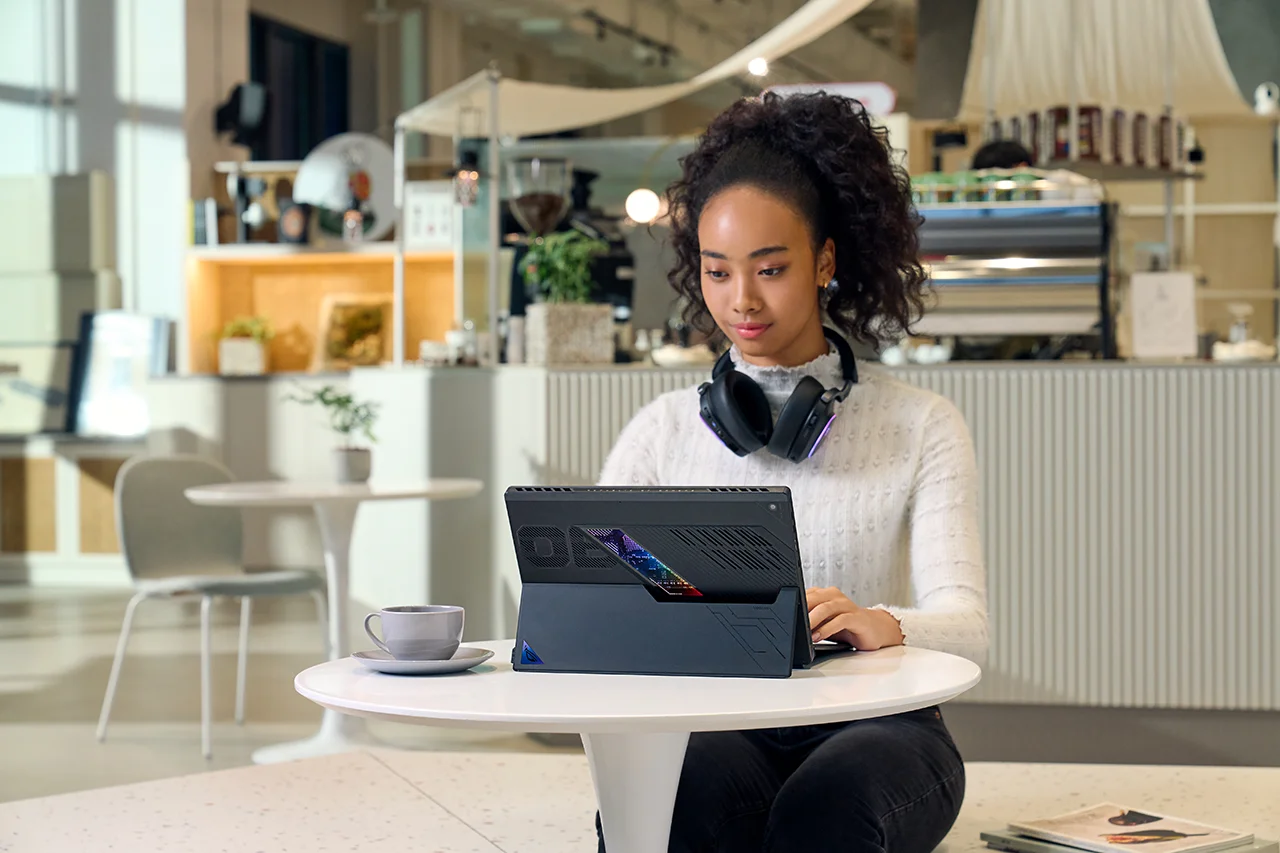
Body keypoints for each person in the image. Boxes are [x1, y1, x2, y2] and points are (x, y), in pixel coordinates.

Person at [596, 91, 989, 853]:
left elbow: (970, 628)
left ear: (825, 262)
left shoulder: (919, 424)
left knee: (823, 812)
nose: (740, 300)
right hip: (723, 723)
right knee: (661, 800)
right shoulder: (663, 431)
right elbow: (602, 594)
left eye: (770, 268)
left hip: (886, 730)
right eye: (717, 271)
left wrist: (888, 622)